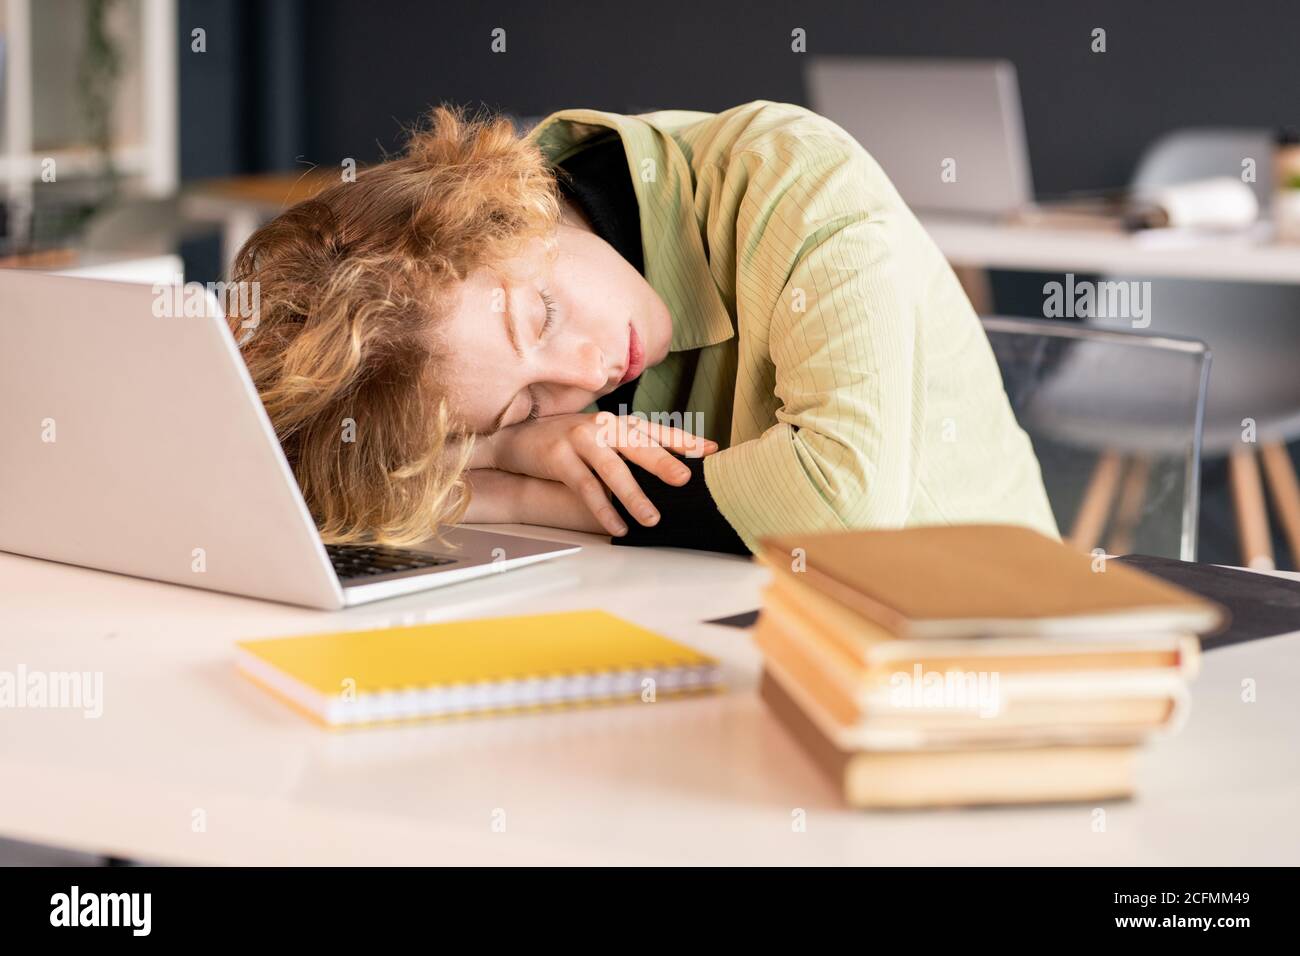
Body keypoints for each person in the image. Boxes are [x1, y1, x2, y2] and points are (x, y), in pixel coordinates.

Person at [231, 100, 1057, 555]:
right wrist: (503, 445)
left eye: (541, 317)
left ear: (514, 203)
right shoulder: (541, 337)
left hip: (1007, 654)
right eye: (525, 405)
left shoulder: (801, 176)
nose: (588, 374)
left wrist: (521, 492)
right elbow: (308, 489)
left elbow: (837, 507)